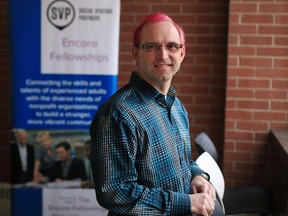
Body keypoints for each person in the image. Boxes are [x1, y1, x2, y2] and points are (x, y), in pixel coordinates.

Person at [89, 12, 222, 216]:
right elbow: (113, 191)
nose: (163, 55)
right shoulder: (117, 114)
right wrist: (185, 203)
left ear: (182, 53)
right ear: (136, 54)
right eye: (151, 46)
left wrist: (197, 176)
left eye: (171, 46)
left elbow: (182, 162)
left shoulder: (177, 107)